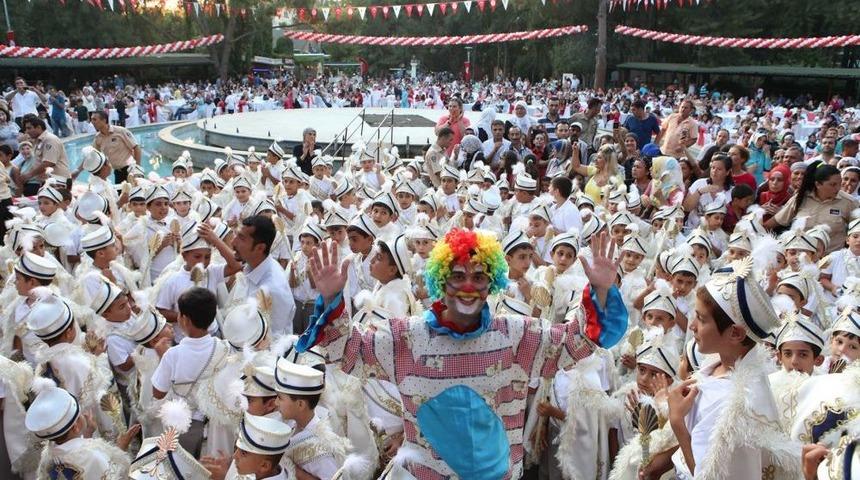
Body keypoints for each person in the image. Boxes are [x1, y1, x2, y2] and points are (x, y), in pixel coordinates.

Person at [294, 230, 627, 478]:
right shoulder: (405, 338)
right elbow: (345, 352)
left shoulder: (517, 336)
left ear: (492, 283)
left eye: (479, 276)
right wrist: (333, 297)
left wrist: (601, 288)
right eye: (457, 275)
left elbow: (579, 342)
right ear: (441, 280)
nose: (469, 285)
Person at [668, 259, 801, 478]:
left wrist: (677, 422)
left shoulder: (737, 407)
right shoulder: (717, 366)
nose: (691, 325)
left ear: (736, 334)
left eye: (701, 319)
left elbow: (707, 475)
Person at [151, 287, 233, 457]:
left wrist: (161, 357)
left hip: (183, 425)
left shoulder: (172, 355)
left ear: (185, 320)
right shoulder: (224, 348)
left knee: (184, 468)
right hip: (216, 425)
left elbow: (158, 393)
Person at [767, 161, 858, 254]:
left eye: (839, 183)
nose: (838, 188)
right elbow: (773, 223)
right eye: (833, 184)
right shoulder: (801, 199)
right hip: (799, 259)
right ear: (818, 184)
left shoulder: (849, 202)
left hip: (830, 261)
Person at [230, 215, 296, 334]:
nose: (233, 242)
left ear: (260, 248)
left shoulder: (273, 289)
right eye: (236, 235)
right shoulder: (250, 267)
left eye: (241, 238)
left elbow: (273, 340)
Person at [683, 154, 733, 229]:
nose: (714, 171)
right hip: (692, 228)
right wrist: (700, 191)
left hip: (715, 232)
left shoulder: (731, 191)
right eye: (713, 168)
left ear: (727, 172)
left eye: (719, 169)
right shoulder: (700, 183)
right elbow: (686, 208)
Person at [91, 110, 142, 183]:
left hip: (131, 169)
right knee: (120, 193)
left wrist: (138, 168)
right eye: (91, 119)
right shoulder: (97, 138)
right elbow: (94, 154)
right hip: (117, 172)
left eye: (94, 119)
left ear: (104, 120)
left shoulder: (120, 131)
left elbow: (136, 148)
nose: (92, 122)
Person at [22, 115, 70, 188]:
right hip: (48, 182)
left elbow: (48, 162)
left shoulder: (50, 140)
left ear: (38, 127)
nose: (27, 131)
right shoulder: (38, 141)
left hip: (58, 182)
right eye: (26, 129)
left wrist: (29, 175)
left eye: (29, 128)